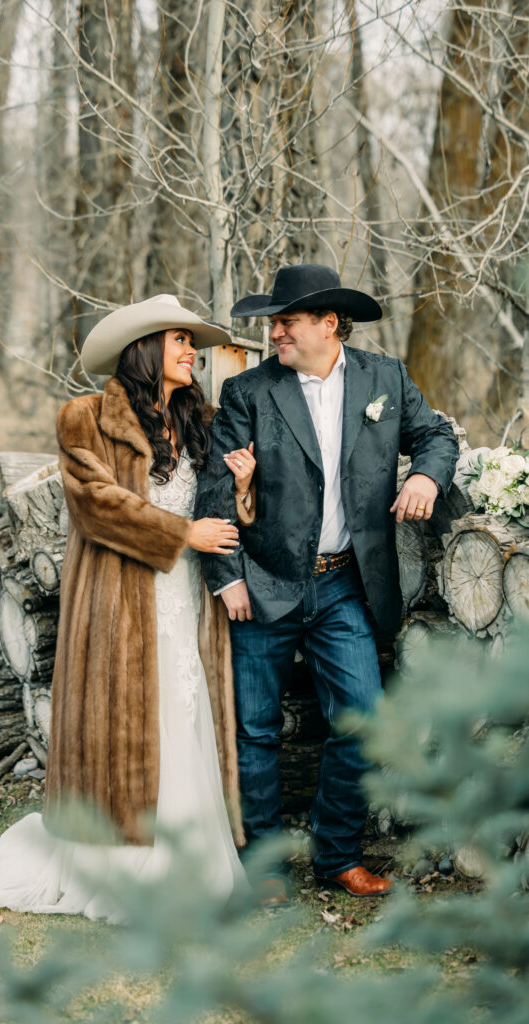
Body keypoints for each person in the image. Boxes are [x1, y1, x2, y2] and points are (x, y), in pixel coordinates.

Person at [0, 294, 251, 922]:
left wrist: (243, 493)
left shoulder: (204, 420)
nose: (193, 351)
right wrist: (180, 534)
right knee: (133, 726)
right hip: (119, 601)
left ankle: (187, 864)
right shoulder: (85, 418)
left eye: (193, 342)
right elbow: (96, 504)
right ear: (145, 349)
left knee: (186, 715)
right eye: (179, 340)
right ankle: (122, 866)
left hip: (189, 596)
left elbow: (221, 503)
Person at [195, 263, 459, 902]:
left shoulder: (384, 378)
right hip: (263, 579)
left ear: (329, 324)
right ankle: (263, 865)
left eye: (286, 321)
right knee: (255, 729)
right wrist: (227, 576)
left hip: (346, 584)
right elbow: (214, 487)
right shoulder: (247, 392)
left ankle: (336, 854)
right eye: (274, 322)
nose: (274, 332)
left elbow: (437, 435)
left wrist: (425, 476)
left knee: (363, 719)